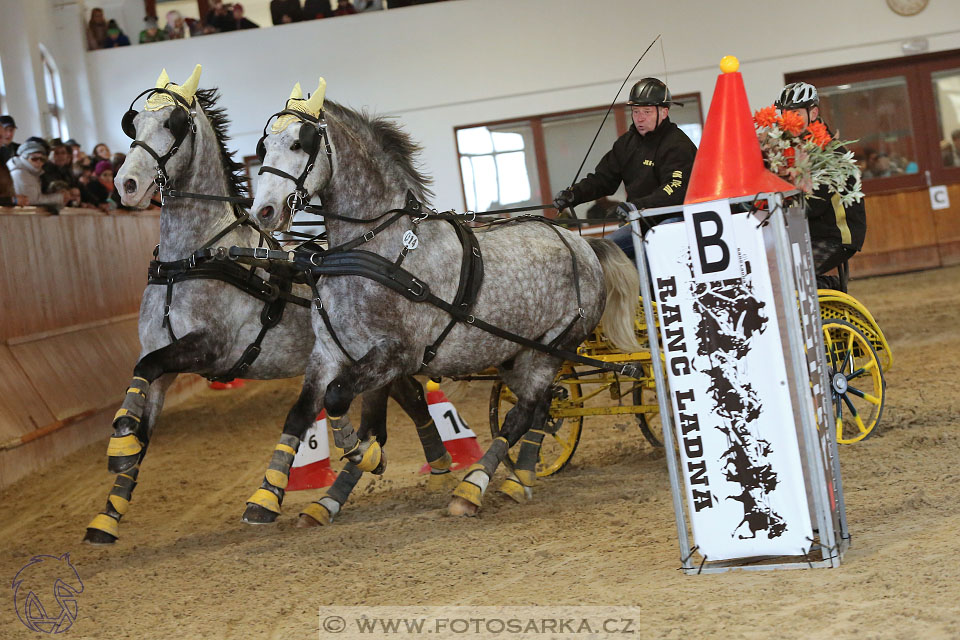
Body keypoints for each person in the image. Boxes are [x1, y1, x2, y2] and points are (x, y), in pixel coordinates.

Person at [553, 77, 697, 259]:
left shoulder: (678, 144)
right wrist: (574, 195)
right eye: (636, 111)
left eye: (647, 111)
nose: (640, 118)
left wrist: (636, 206)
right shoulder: (626, 144)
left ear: (664, 112)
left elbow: (675, 188)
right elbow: (603, 179)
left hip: (673, 220)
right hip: (640, 222)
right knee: (605, 252)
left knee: (651, 249)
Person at [775, 81, 866, 291]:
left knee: (797, 273)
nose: (789, 119)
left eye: (796, 113)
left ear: (813, 113)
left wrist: (781, 203)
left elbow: (815, 204)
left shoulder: (829, 152)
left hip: (837, 234)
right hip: (811, 232)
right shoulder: (793, 146)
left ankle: (830, 290)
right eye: (785, 114)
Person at [6, 140, 65, 211]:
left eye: (42, 159)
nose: (39, 162)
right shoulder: (20, 173)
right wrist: (59, 197)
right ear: (24, 158)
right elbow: (32, 200)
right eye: (34, 158)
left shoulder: (32, 172)